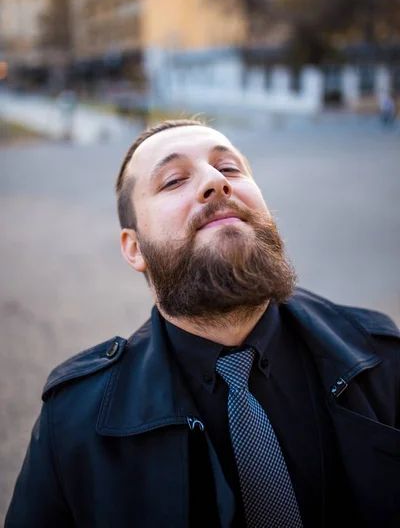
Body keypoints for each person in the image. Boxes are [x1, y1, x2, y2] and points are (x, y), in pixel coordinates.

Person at [5, 119, 400, 528]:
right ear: (134, 248)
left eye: (229, 169)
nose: (215, 182)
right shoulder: (73, 426)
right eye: (174, 180)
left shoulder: (383, 359)